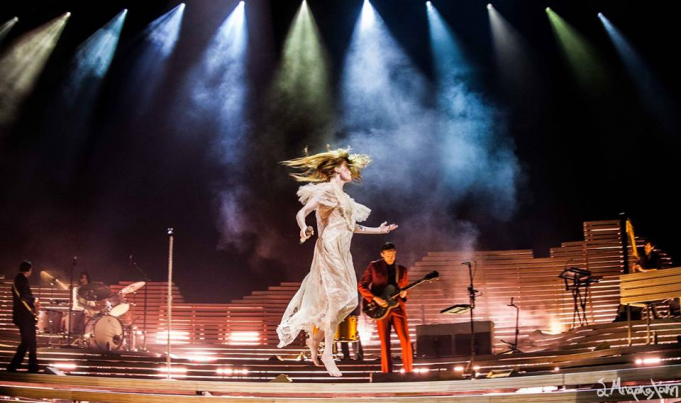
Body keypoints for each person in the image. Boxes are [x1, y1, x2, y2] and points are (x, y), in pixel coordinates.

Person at [276, 147, 398, 377]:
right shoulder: (326, 192)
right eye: (345, 167)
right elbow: (302, 213)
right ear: (335, 169)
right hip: (329, 249)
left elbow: (354, 227)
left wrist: (379, 231)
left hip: (343, 252)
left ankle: (316, 340)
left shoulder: (347, 200)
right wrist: (304, 228)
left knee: (349, 301)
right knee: (335, 301)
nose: (349, 171)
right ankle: (327, 354)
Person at [358, 242, 413, 374]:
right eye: (388, 255)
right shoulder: (374, 266)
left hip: (398, 307)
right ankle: (387, 373)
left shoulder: (402, 270)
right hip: (380, 308)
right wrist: (374, 298)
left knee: (405, 339)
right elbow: (362, 285)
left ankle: (409, 371)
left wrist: (405, 295)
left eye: (393, 255)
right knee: (385, 341)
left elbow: (404, 291)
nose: (390, 258)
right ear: (382, 255)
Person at [7, 261, 40, 373]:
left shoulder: (18, 279)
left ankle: (16, 366)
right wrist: (34, 300)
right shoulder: (22, 279)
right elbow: (23, 296)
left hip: (22, 316)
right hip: (25, 317)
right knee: (31, 341)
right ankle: (31, 366)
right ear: (29, 269)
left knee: (27, 342)